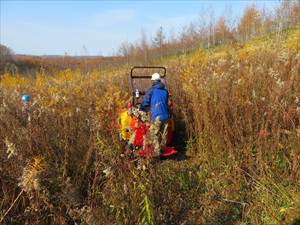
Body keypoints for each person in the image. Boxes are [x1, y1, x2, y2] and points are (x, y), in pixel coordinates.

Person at [140, 73, 169, 156]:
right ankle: (163, 150)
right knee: (164, 135)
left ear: (153, 81)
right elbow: (165, 102)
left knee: (153, 133)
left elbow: (145, 102)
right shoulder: (165, 91)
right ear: (160, 80)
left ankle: (157, 151)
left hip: (157, 117)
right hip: (166, 116)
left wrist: (141, 108)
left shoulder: (151, 90)